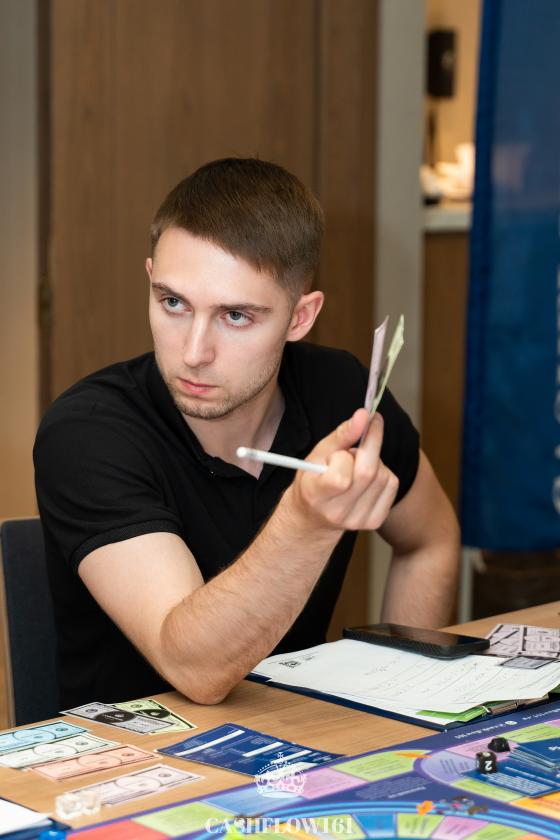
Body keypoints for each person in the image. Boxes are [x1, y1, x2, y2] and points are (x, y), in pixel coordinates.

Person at [34, 157, 460, 709]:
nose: (194, 352)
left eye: (235, 316)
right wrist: (305, 523)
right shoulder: (88, 433)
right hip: (132, 756)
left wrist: (403, 701)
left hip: (301, 737)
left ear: (301, 317)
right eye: (173, 303)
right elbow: (196, 670)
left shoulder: (340, 391)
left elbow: (430, 540)